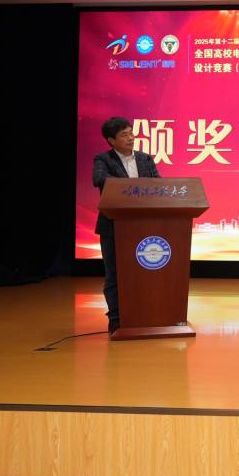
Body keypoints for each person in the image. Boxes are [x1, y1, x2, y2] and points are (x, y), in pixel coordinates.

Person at [92, 116, 160, 335]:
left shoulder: (145, 159)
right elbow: (99, 180)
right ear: (111, 140)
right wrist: (134, 188)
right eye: (124, 135)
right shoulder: (103, 160)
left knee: (143, 273)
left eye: (131, 133)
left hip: (143, 226)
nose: (131, 138)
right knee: (114, 274)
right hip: (113, 227)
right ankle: (115, 319)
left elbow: (159, 186)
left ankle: (144, 314)